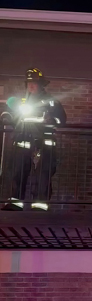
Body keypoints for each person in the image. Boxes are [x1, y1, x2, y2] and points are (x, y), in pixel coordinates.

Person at [1, 68, 66, 210]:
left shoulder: (51, 101)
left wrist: (51, 120)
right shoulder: (19, 100)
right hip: (22, 140)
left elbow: (61, 120)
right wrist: (6, 117)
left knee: (43, 174)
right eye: (29, 82)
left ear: (41, 85)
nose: (31, 85)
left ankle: (40, 205)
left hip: (44, 143)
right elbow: (7, 112)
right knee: (17, 171)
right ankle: (15, 203)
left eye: (34, 83)